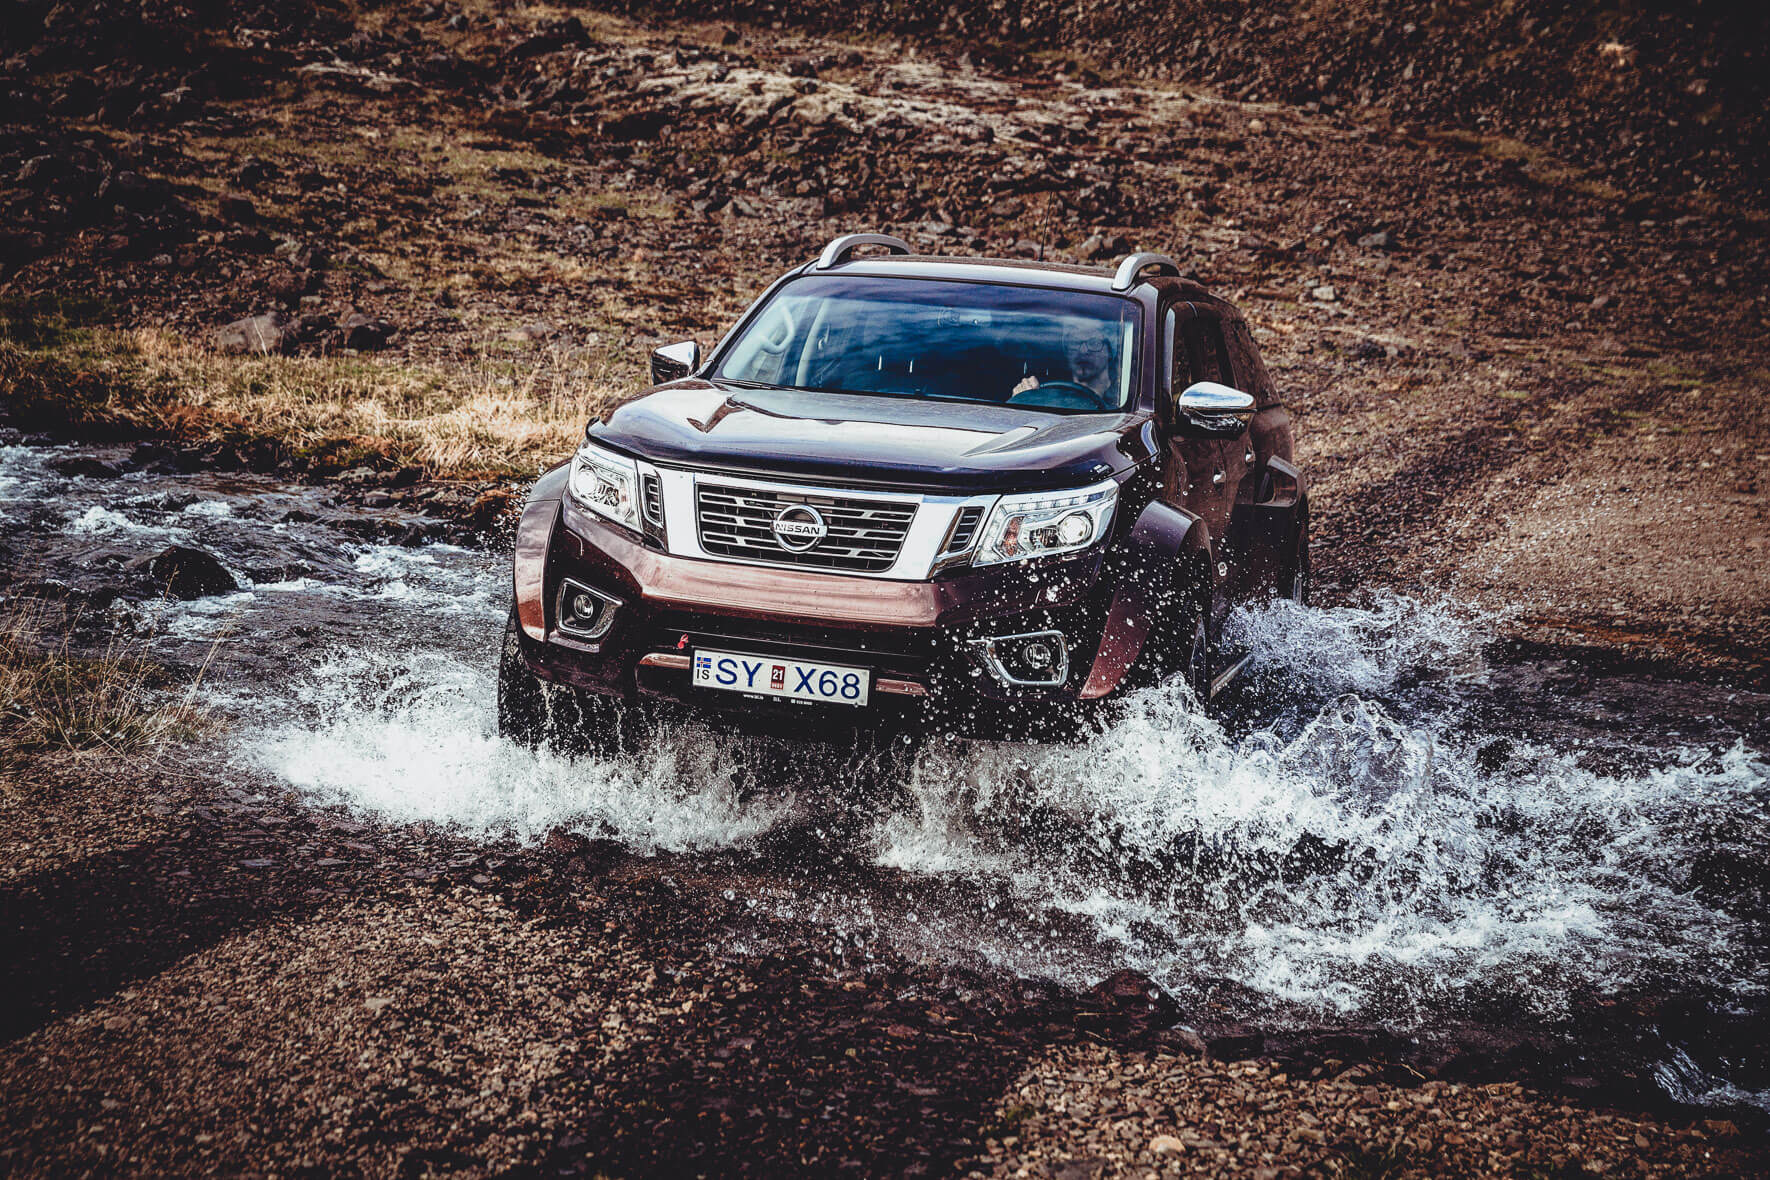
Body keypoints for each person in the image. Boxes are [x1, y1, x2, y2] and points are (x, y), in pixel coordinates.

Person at [1012, 319, 1116, 405]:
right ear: (1066, 351)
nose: (1083, 351)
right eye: (1075, 342)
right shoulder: (1047, 396)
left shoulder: (1123, 401)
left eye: (1094, 343)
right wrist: (1022, 398)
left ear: (1110, 351)